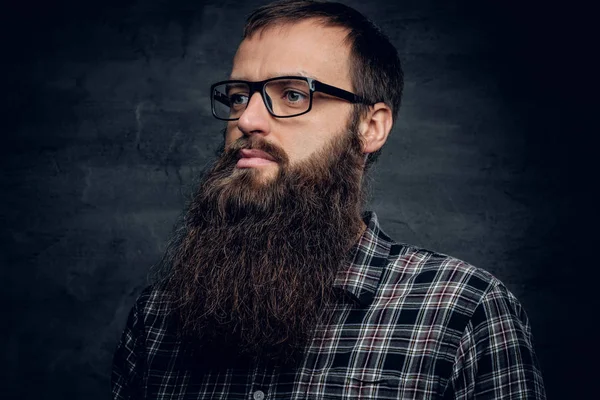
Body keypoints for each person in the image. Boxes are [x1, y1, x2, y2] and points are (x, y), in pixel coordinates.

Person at [111, 1, 546, 399]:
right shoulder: (158, 319)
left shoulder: (463, 311)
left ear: (370, 127)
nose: (246, 119)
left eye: (293, 94)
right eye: (240, 95)